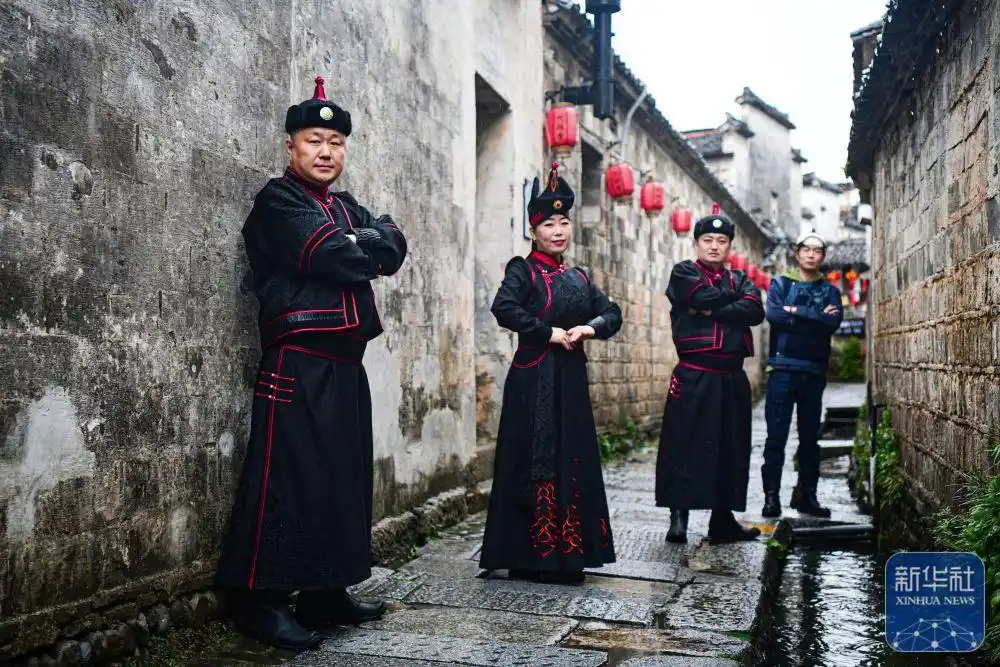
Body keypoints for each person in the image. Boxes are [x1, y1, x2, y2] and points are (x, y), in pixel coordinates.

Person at [215, 76, 407, 650]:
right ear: (291, 145)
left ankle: (326, 591)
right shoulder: (278, 201)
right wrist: (361, 242)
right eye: (314, 141)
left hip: (346, 363)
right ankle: (263, 600)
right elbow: (330, 255)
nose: (326, 152)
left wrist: (360, 239)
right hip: (296, 363)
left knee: (341, 478)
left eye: (336, 143)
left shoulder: (344, 206)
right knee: (288, 478)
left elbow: (393, 245)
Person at [478, 162, 622, 584]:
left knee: (571, 457)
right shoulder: (522, 270)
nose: (558, 231)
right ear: (533, 230)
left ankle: (569, 556)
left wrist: (589, 328)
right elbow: (504, 308)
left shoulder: (579, 276)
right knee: (532, 460)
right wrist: (549, 333)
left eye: (564, 223)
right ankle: (528, 557)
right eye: (548, 224)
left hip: (570, 380)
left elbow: (612, 312)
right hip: (534, 379)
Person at [655, 203, 765, 544]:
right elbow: (696, 294)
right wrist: (729, 302)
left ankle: (723, 519)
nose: (714, 246)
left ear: (729, 246)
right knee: (683, 442)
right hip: (694, 374)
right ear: (697, 243)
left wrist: (712, 307)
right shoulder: (683, 272)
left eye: (721, 240)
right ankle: (678, 517)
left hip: (732, 376)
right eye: (707, 240)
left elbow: (755, 309)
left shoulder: (740, 278)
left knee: (731, 446)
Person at [760, 231, 843, 518]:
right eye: (806, 249)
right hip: (782, 369)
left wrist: (795, 310)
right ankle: (771, 498)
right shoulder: (781, 283)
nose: (811, 254)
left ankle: (807, 496)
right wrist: (815, 315)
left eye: (817, 251)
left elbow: (832, 322)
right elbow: (774, 316)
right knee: (776, 437)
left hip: (813, 372)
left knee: (809, 439)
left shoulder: (830, 290)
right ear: (797, 253)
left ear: (823, 256)